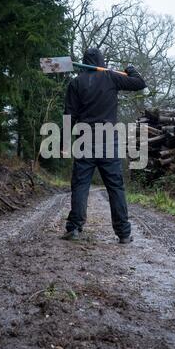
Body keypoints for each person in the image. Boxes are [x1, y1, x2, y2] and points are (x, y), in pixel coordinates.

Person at [62, 48, 146, 244]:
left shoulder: (76, 83)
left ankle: (74, 228)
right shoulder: (111, 77)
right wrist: (131, 69)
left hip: (84, 139)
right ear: (100, 61)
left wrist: (65, 142)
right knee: (115, 186)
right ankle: (124, 233)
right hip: (109, 139)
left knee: (81, 185)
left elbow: (69, 115)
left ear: (85, 61)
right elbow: (139, 83)